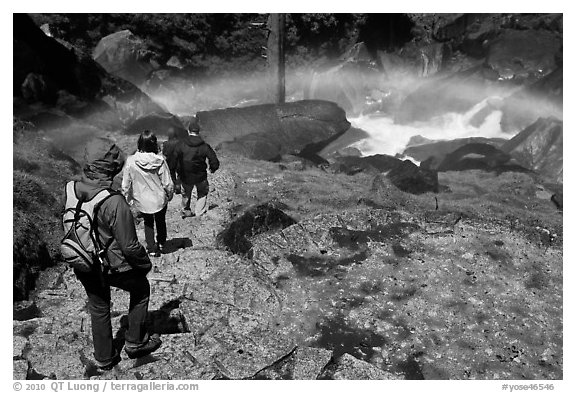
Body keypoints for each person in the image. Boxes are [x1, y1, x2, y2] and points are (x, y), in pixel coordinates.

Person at [68, 138, 162, 371]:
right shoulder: (114, 201)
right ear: (112, 166)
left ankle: (105, 357)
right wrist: (145, 264)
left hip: (82, 258)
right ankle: (135, 342)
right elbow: (129, 246)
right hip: (109, 265)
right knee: (141, 289)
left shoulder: (70, 188)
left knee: (98, 306)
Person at [122, 130, 174, 256]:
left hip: (142, 199)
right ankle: (161, 243)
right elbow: (167, 182)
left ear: (139, 143)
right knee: (161, 221)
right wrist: (169, 194)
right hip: (159, 198)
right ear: (154, 144)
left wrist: (128, 200)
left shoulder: (131, 161)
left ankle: (151, 248)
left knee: (148, 222)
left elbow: (125, 184)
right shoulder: (160, 160)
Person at [167, 117, 219, 218]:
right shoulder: (204, 146)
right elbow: (214, 161)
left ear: (188, 131)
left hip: (185, 176)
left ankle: (186, 210)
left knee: (186, 194)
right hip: (201, 176)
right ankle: (199, 212)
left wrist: (174, 176)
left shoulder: (181, 144)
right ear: (198, 132)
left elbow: (173, 161)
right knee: (202, 193)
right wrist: (212, 169)